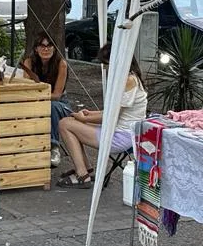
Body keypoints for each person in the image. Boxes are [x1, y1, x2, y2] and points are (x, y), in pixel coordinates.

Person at [55, 45, 147, 187]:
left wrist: (84, 118)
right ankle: (85, 169)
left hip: (121, 136)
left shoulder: (128, 80)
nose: (106, 68)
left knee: (65, 124)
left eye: (107, 64)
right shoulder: (130, 76)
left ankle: (82, 174)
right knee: (70, 121)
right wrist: (90, 114)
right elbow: (112, 111)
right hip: (120, 130)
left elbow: (111, 116)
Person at [20, 33, 70, 167]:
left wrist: (38, 95)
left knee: (51, 106)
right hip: (36, 100)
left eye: (49, 45)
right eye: (42, 46)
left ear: (54, 48)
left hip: (60, 104)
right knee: (19, 106)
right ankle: (22, 145)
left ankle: (54, 147)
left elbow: (57, 95)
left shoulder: (61, 64)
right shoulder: (29, 62)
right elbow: (26, 88)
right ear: (36, 49)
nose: (46, 49)